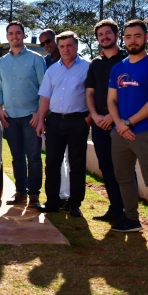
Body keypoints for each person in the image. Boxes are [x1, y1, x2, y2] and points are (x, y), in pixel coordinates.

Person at [107, 19, 148, 241]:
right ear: (123, 39)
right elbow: (111, 100)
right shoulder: (118, 67)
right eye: (128, 36)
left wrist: (128, 123)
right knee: (123, 177)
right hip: (121, 133)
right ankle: (132, 219)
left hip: (146, 132)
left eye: (137, 36)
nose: (133, 40)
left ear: (146, 38)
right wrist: (119, 125)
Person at [35, 31, 91, 217]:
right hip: (55, 121)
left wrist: (88, 119)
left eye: (69, 45)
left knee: (77, 163)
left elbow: (93, 95)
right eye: (62, 46)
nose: (66, 49)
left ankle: (74, 203)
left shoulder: (87, 67)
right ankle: (52, 201)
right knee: (52, 163)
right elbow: (45, 98)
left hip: (78, 121)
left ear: (76, 46)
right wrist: (41, 120)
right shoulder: (52, 70)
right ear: (58, 48)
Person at [0, 21, 47, 207]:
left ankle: (34, 197)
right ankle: (20, 193)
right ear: (7, 37)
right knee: (17, 158)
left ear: (24, 35)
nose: (14, 36)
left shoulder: (35, 59)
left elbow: (44, 89)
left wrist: (39, 114)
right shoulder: (2, 63)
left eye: (18, 33)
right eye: (11, 33)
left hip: (31, 117)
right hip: (10, 119)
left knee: (33, 157)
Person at [85, 19, 130, 222]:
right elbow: (89, 93)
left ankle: (129, 213)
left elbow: (130, 94)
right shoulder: (95, 64)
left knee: (124, 168)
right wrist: (95, 116)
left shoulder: (127, 61)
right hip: (99, 124)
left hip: (120, 124)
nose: (104, 37)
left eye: (108, 33)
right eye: (100, 35)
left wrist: (112, 117)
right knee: (106, 166)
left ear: (116, 35)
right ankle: (115, 208)